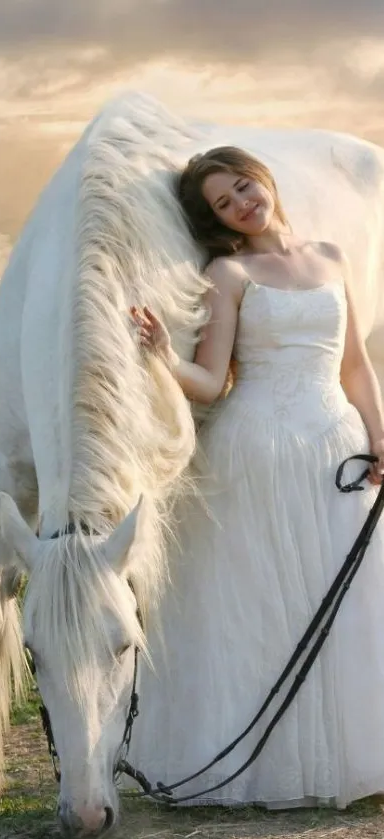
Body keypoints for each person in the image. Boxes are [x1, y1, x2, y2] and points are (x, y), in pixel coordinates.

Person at [129, 147, 384, 809]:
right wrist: (161, 358)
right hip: (256, 452)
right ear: (217, 220)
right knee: (259, 607)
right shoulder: (228, 271)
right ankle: (260, 765)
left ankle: (351, 756)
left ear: (263, 178)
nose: (242, 203)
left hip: (334, 447)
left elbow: (354, 366)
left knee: (348, 605)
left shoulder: (329, 256)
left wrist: (379, 435)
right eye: (223, 203)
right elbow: (211, 384)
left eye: (242, 186)